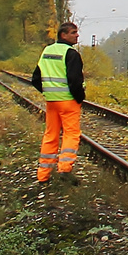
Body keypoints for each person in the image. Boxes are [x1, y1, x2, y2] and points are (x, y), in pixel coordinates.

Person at [31, 22, 85, 185]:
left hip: (52, 101)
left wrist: (49, 91)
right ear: (64, 35)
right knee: (71, 134)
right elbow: (74, 80)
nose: (77, 35)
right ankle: (65, 168)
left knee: (50, 135)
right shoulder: (71, 54)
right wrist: (79, 97)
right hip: (68, 102)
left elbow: (35, 79)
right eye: (73, 32)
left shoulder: (47, 51)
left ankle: (43, 175)